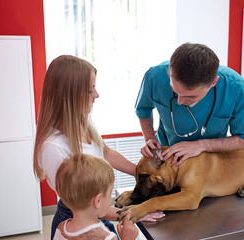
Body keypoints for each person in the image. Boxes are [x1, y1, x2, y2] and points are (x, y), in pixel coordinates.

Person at [33, 55, 163, 240]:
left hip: (97, 213)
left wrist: (143, 176)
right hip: (82, 217)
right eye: (90, 90)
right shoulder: (52, 148)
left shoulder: (82, 118)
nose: (97, 95)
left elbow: (106, 152)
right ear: (69, 96)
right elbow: (82, 203)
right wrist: (133, 213)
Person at [135, 43, 244, 166]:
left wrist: (201, 145)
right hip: (167, 159)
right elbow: (143, 110)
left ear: (214, 82)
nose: (180, 101)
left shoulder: (236, 88)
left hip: (210, 162)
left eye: (191, 96)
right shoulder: (154, 76)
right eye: (174, 91)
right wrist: (150, 138)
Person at [54, 153, 138, 240]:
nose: (110, 200)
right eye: (110, 193)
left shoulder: (61, 228)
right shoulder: (107, 238)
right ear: (98, 200)